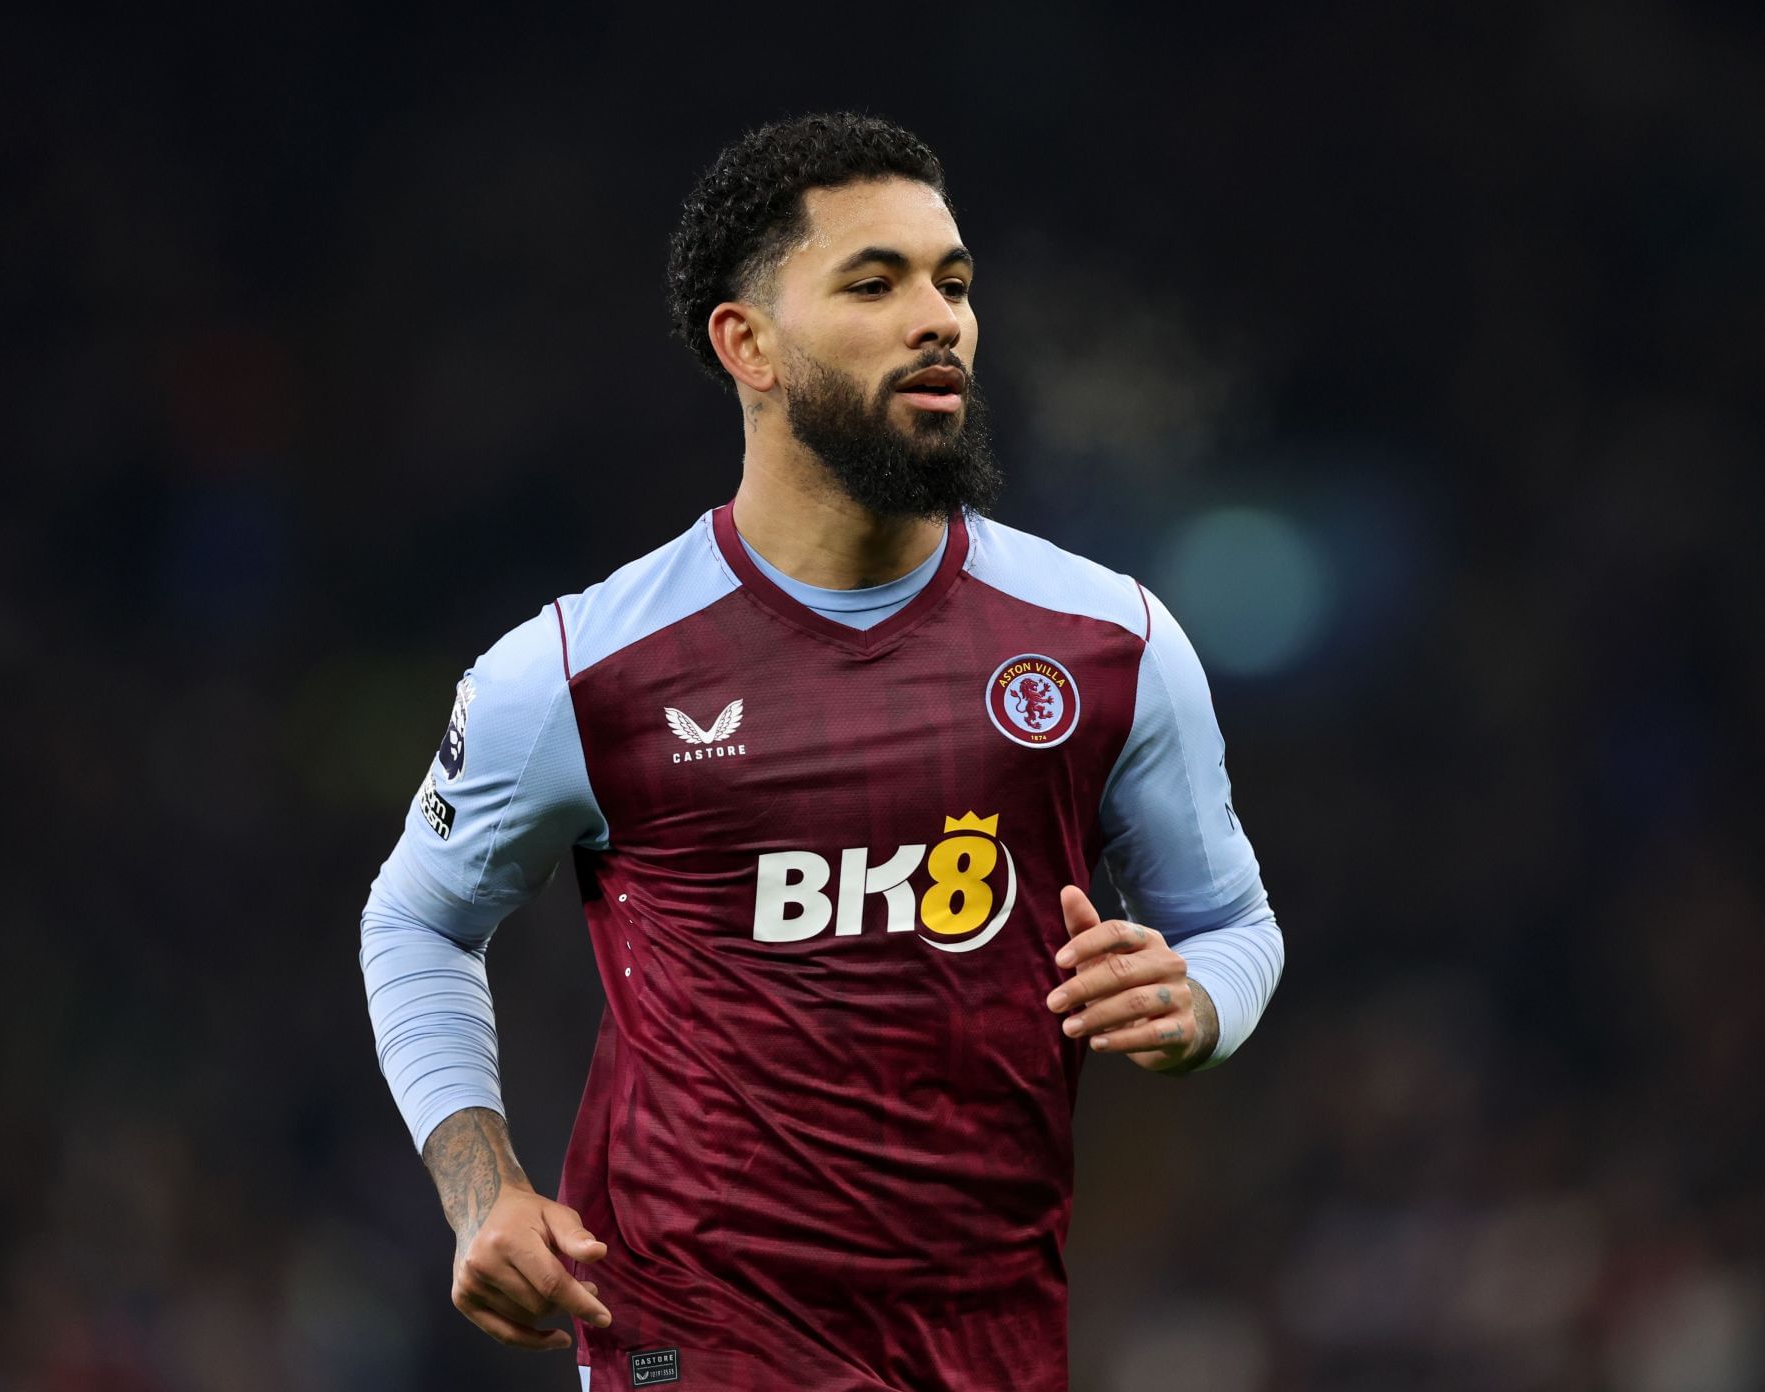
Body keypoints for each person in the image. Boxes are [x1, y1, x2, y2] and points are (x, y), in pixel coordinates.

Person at [361, 111, 1285, 1392]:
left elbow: (1232, 922)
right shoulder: (578, 671)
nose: (941, 318)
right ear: (749, 346)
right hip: (695, 1346)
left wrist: (1199, 1007)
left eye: (953, 282)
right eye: (876, 282)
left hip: (995, 1347)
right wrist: (482, 1190)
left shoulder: (1109, 643)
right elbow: (416, 923)